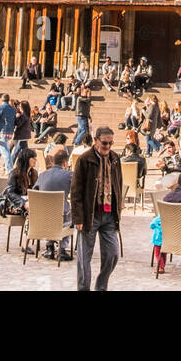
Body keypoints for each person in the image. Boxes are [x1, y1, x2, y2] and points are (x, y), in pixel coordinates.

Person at [70, 125, 123, 292]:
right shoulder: (85, 159)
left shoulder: (115, 158)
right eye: (104, 143)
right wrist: (78, 218)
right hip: (89, 215)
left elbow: (118, 183)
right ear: (96, 140)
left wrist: (119, 204)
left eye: (110, 143)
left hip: (109, 215)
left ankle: (101, 286)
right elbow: (76, 190)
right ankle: (83, 288)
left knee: (113, 254)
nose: (107, 146)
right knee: (84, 258)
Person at [36, 145, 73, 260]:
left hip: (43, 216)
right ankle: (62, 249)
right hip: (62, 216)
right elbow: (77, 192)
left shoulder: (42, 175)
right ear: (65, 163)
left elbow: (34, 191)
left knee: (50, 211)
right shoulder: (69, 175)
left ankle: (49, 247)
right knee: (68, 211)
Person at [0, 146, 38, 217]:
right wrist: (23, 203)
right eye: (33, 158)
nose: (35, 160)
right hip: (12, 204)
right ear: (26, 159)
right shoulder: (15, 173)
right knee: (30, 211)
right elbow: (10, 192)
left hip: (28, 204)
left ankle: (31, 226)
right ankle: (29, 227)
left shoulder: (34, 173)